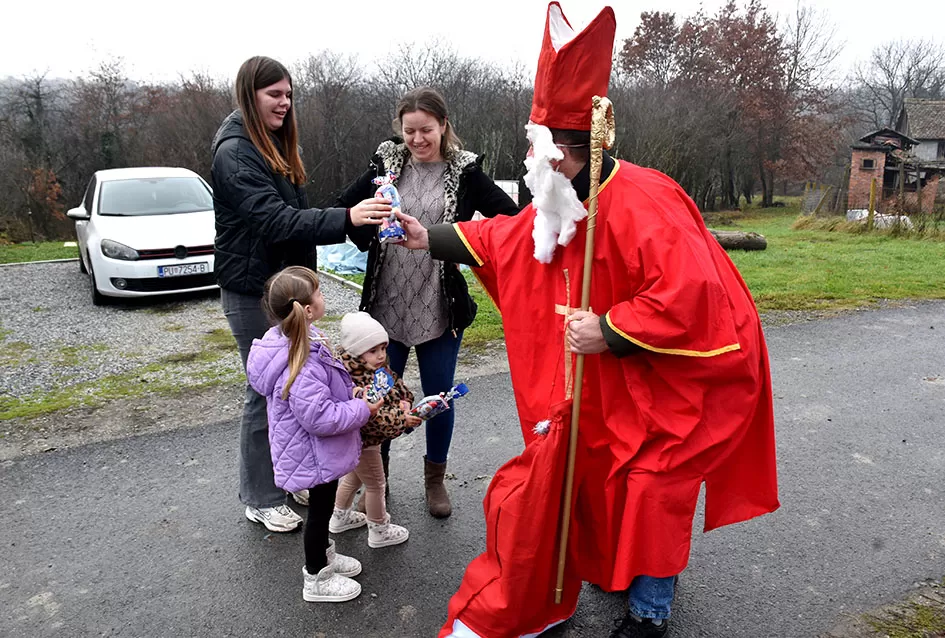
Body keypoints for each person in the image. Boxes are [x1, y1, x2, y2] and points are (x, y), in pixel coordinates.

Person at [394, 4, 780, 637]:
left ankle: (651, 612)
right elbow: (504, 239)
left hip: (672, 391)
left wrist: (612, 329)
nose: (526, 162)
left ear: (567, 156)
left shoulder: (646, 200)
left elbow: (692, 296)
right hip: (605, 391)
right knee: (591, 472)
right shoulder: (558, 204)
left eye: (535, 151)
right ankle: (609, 567)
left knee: (651, 487)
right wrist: (424, 237)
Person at [211, 56, 390, 532]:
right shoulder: (236, 152)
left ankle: (291, 477)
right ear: (250, 95)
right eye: (275, 95)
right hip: (254, 292)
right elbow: (272, 221)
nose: (285, 103)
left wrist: (353, 224)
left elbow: (295, 216)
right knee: (265, 391)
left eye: (289, 95)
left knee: (293, 388)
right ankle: (261, 495)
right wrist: (346, 218)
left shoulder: (271, 144)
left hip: (286, 289)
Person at [339, 86, 520, 518]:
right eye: (409, 131)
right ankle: (375, 483)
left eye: (426, 130)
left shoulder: (465, 171)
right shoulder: (385, 164)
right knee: (377, 400)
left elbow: (510, 219)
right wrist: (365, 218)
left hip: (438, 305)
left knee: (439, 396)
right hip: (385, 307)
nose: (418, 139)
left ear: (443, 126)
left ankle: (434, 480)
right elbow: (344, 210)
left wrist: (468, 243)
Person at [245, 266, 381, 603]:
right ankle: (316, 576)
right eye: (319, 293)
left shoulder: (301, 337)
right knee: (319, 513)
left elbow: (324, 394)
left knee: (322, 506)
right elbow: (319, 417)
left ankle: (326, 557)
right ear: (306, 309)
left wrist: (349, 396)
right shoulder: (300, 361)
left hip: (317, 450)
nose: (323, 297)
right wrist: (363, 410)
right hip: (314, 451)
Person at [328, 311, 422, 547]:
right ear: (357, 352)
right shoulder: (354, 379)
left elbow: (398, 385)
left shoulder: (377, 369)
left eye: (383, 348)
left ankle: (339, 517)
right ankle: (379, 529)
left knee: (354, 478)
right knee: (376, 484)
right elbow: (370, 417)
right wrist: (402, 418)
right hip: (364, 440)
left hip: (367, 440)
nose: (381, 355)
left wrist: (405, 401)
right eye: (373, 351)